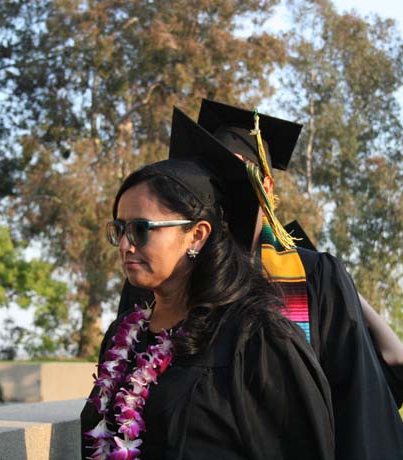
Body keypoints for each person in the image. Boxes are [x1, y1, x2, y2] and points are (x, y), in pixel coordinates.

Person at [120, 104, 403, 459]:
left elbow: (357, 393)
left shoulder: (313, 274)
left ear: (266, 186)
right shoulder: (161, 279)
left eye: (235, 174)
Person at [80, 155, 336, 459]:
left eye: (139, 229)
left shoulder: (258, 336)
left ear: (197, 235)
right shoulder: (123, 336)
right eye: (119, 230)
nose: (125, 244)